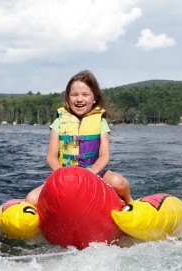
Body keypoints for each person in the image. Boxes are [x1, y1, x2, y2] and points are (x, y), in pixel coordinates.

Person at [25, 70, 132, 205]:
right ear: (68, 98)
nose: (79, 99)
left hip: (95, 174)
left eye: (85, 94)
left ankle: (130, 204)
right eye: (74, 95)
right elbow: (51, 157)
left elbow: (104, 156)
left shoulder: (100, 123)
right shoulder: (58, 123)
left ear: (94, 98)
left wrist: (91, 172)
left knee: (119, 182)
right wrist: (63, 175)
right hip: (64, 175)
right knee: (31, 199)